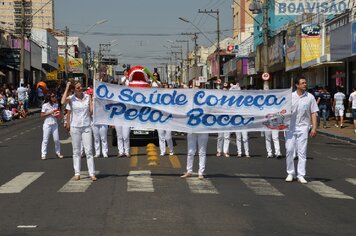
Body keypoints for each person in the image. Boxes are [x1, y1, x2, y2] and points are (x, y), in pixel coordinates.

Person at [285, 76, 318, 184]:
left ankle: (301, 175)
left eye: (305, 83)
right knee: (289, 150)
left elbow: (313, 113)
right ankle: (290, 173)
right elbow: (282, 111)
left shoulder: (310, 97)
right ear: (297, 85)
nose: (305, 84)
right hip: (290, 127)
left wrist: (314, 127)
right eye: (303, 83)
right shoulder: (290, 97)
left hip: (303, 127)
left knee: (302, 152)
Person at [61, 81, 97, 181]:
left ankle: (92, 173)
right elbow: (62, 102)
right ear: (74, 89)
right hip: (75, 127)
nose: (80, 88)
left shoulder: (87, 97)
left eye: (80, 87)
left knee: (89, 150)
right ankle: (77, 173)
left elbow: (91, 111)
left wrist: (93, 102)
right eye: (77, 88)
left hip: (86, 126)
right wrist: (67, 87)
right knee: (76, 151)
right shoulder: (71, 98)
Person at [40, 92, 63, 160]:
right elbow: (42, 115)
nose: (54, 97)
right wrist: (50, 112)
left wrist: (57, 115)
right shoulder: (45, 105)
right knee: (45, 140)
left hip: (54, 124)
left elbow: (57, 114)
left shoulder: (56, 105)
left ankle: (58, 153)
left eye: (55, 96)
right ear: (49, 98)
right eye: (53, 96)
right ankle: (43, 154)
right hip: (47, 124)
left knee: (56, 140)